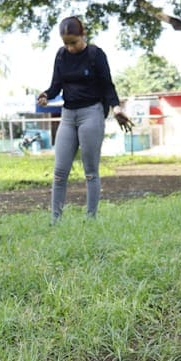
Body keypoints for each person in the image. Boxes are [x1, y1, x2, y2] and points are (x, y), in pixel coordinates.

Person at [37, 16, 133, 223]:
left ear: (83, 35)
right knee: (60, 171)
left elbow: (108, 85)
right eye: (66, 43)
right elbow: (56, 86)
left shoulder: (95, 54)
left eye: (73, 42)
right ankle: (55, 220)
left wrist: (116, 109)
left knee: (90, 171)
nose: (70, 47)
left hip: (92, 113)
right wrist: (45, 94)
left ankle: (90, 218)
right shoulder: (61, 55)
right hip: (68, 116)